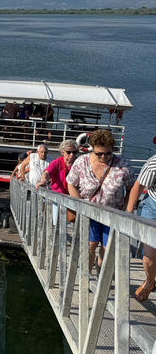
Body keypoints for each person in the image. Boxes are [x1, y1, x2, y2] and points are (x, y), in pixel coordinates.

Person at [67, 129, 134, 275]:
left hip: (113, 212)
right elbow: (71, 183)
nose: (104, 156)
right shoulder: (82, 162)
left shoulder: (123, 166)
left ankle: (100, 270)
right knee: (91, 244)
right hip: (88, 211)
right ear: (93, 148)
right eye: (99, 153)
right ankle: (86, 275)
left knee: (107, 246)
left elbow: (131, 188)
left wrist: (126, 209)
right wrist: (78, 203)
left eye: (108, 153)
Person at [126, 153, 156, 301]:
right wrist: (129, 212)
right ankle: (150, 282)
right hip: (153, 208)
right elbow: (138, 186)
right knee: (149, 255)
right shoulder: (153, 163)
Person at [36, 140, 80, 224]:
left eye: (74, 152)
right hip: (58, 198)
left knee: (75, 223)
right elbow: (46, 173)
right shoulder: (57, 162)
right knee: (58, 223)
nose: (71, 155)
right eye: (68, 152)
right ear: (63, 152)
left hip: (74, 197)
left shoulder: (79, 163)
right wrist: (43, 180)